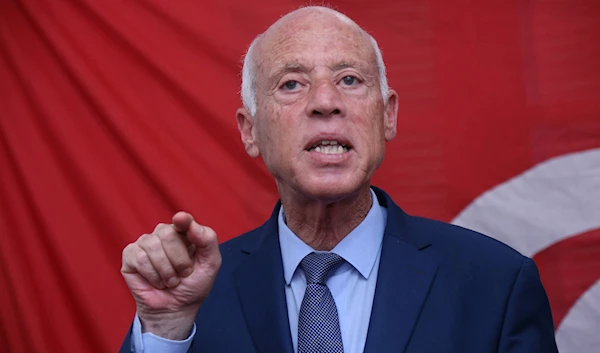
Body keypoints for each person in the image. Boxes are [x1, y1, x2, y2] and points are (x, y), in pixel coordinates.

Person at [119, 6, 558, 353]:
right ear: (249, 130)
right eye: (292, 84)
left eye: (349, 79)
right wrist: (165, 330)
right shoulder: (194, 295)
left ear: (388, 116)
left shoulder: (495, 284)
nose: (325, 101)